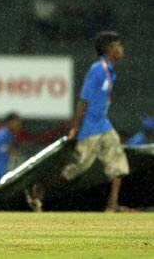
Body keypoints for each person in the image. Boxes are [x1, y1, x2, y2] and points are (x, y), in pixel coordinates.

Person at [26, 31, 129, 212]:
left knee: (118, 164)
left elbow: (104, 96)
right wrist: (75, 128)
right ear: (108, 49)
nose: (121, 49)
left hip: (103, 125)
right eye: (118, 45)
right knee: (77, 169)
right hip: (91, 128)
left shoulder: (109, 72)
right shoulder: (97, 69)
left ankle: (112, 205)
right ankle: (41, 188)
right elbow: (83, 100)